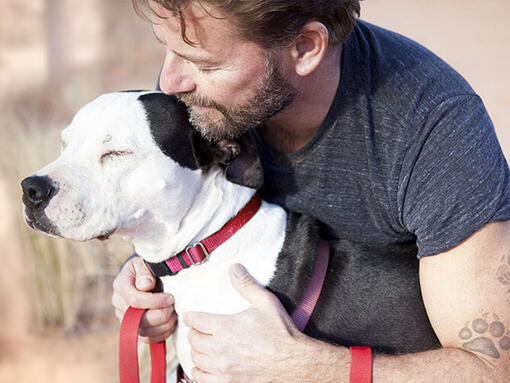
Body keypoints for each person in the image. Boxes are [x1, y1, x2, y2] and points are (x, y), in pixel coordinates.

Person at [111, 0, 510, 381]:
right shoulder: (203, 99)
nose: (169, 82)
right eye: (167, 48)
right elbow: (190, 214)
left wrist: (309, 370)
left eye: (206, 63)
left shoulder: (433, 129)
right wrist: (152, 275)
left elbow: (492, 371)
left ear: (304, 48)